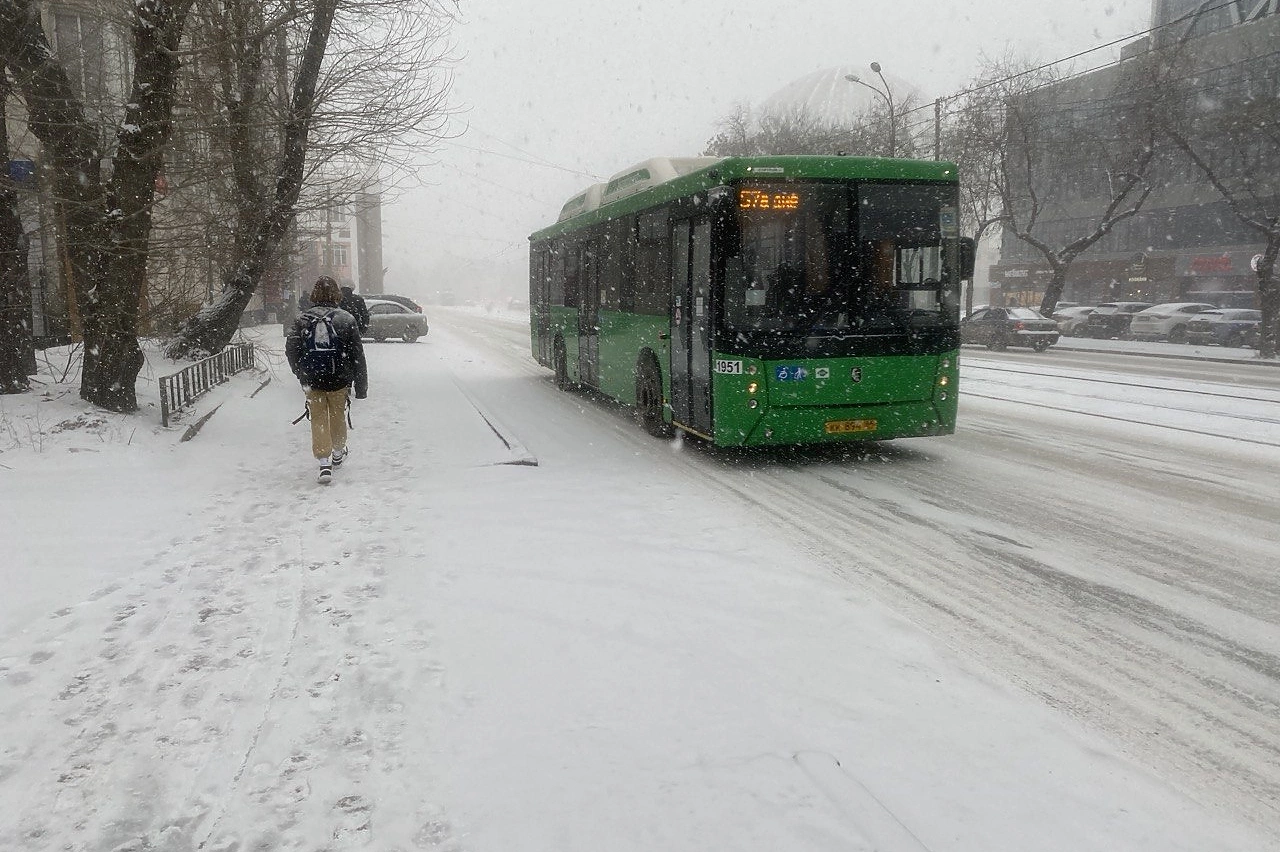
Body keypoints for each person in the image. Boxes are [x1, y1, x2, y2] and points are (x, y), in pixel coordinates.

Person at [286, 276, 368, 484]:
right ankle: (338, 451)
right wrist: (361, 386)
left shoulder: (302, 320)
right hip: (339, 378)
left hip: (312, 379)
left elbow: (292, 349)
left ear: (314, 294)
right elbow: (357, 355)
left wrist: (300, 372)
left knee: (318, 418)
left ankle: (324, 462)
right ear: (336, 294)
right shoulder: (346, 319)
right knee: (338, 414)